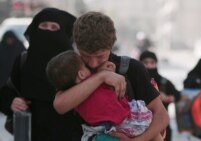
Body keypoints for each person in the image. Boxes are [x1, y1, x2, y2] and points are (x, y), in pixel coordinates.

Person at [53, 11, 169, 141]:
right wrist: (101, 77)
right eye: (85, 55)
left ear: (111, 46)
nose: (93, 63)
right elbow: (60, 105)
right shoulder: (72, 67)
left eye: (100, 56)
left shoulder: (131, 68)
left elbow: (161, 115)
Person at [0, 8, 82, 141]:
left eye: (54, 27)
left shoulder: (77, 64)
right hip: (32, 134)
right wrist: (11, 102)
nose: (48, 31)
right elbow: (7, 91)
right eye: (43, 26)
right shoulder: (24, 61)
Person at [46, 50, 163, 140]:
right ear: (81, 74)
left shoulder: (74, 93)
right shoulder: (93, 83)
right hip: (123, 122)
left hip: (100, 131)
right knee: (151, 127)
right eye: (86, 66)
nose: (92, 65)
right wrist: (103, 75)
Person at [139, 50, 181, 141]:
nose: (149, 66)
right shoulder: (135, 81)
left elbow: (177, 95)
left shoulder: (164, 82)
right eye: (145, 62)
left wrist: (167, 98)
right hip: (139, 128)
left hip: (162, 127)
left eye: (152, 62)